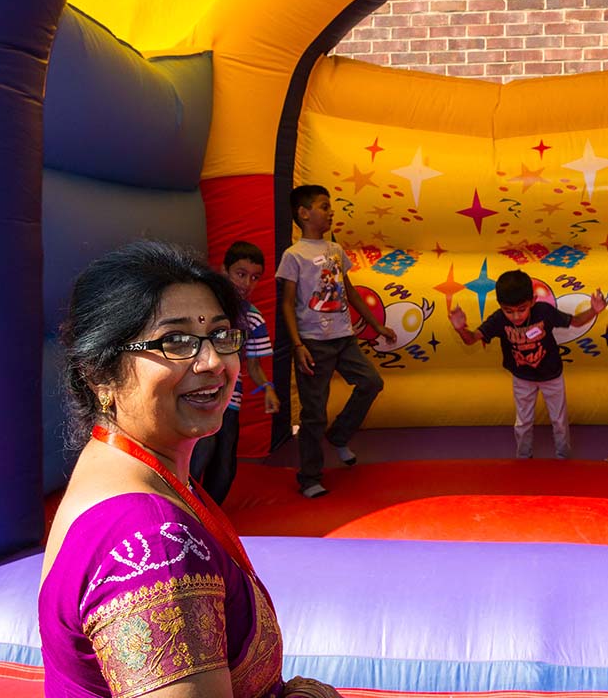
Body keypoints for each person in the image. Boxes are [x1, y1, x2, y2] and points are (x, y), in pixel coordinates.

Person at [40, 240, 343, 697]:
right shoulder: (150, 544)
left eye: (221, 336)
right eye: (175, 341)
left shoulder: (128, 471)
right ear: (99, 374)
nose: (213, 362)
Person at [278, 185, 396, 498]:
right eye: (324, 206)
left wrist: (376, 325)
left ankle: (340, 434)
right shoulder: (294, 255)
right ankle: (310, 478)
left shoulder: (334, 249)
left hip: (344, 337)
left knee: (371, 382)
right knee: (314, 412)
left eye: (331, 207)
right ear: (304, 213)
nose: (331, 212)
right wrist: (297, 345)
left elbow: (351, 292)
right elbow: (288, 303)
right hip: (313, 342)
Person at [450, 269, 607, 459]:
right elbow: (472, 338)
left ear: (533, 301)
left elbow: (576, 322)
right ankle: (523, 458)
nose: (516, 317)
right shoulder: (499, 319)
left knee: (559, 420)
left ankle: (563, 457)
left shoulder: (544, 312)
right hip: (522, 377)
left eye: (521, 309)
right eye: (509, 311)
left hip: (551, 375)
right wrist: (460, 329)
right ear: (500, 305)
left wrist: (594, 310)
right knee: (523, 422)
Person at [190, 240, 280, 505]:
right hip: (199, 393)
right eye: (240, 274)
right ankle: (187, 509)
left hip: (230, 399)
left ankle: (211, 513)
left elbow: (254, 365)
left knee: (226, 462)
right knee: (201, 450)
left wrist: (268, 388)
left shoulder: (252, 317)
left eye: (254, 278)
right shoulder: (202, 308)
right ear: (224, 270)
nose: (247, 283)